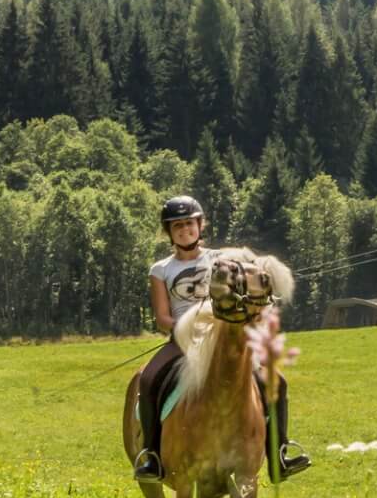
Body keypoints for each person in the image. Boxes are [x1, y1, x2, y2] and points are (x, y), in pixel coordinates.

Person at [131, 195, 310, 483]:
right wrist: (185, 328)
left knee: (277, 381)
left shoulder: (220, 260)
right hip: (183, 342)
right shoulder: (161, 269)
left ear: (200, 226)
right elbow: (162, 317)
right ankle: (152, 455)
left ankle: (279, 454)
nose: (184, 230)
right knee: (149, 379)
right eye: (177, 226)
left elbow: (252, 277)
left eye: (189, 224)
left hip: (223, 337)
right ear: (169, 231)